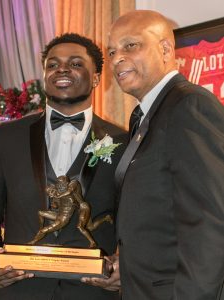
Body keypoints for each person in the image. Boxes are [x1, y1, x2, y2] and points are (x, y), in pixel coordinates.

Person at [97, 10, 224, 300]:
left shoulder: (189, 105)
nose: (116, 59)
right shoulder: (144, 117)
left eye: (131, 46)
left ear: (165, 49)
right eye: (112, 51)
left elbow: (210, 222)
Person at [0, 33, 127, 300]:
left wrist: (127, 266)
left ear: (97, 77)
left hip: (93, 292)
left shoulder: (124, 142)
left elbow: (135, 219)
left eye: (75, 63)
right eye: (52, 64)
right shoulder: (4, 137)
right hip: (20, 290)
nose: (62, 69)